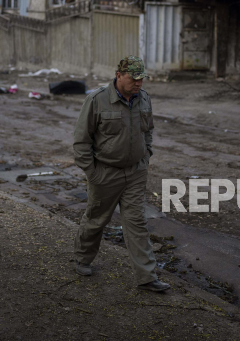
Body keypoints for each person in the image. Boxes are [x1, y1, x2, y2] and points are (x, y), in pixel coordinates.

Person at [72, 55, 170, 292]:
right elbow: (81, 142)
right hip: (105, 173)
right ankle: (82, 258)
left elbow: (148, 130)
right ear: (119, 76)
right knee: (96, 220)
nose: (138, 83)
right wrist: (93, 174)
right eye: (133, 78)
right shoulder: (96, 100)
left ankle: (147, 277)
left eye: (141, 79)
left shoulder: (144, 99)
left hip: (135, 173)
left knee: (137, 222)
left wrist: (145, 156)